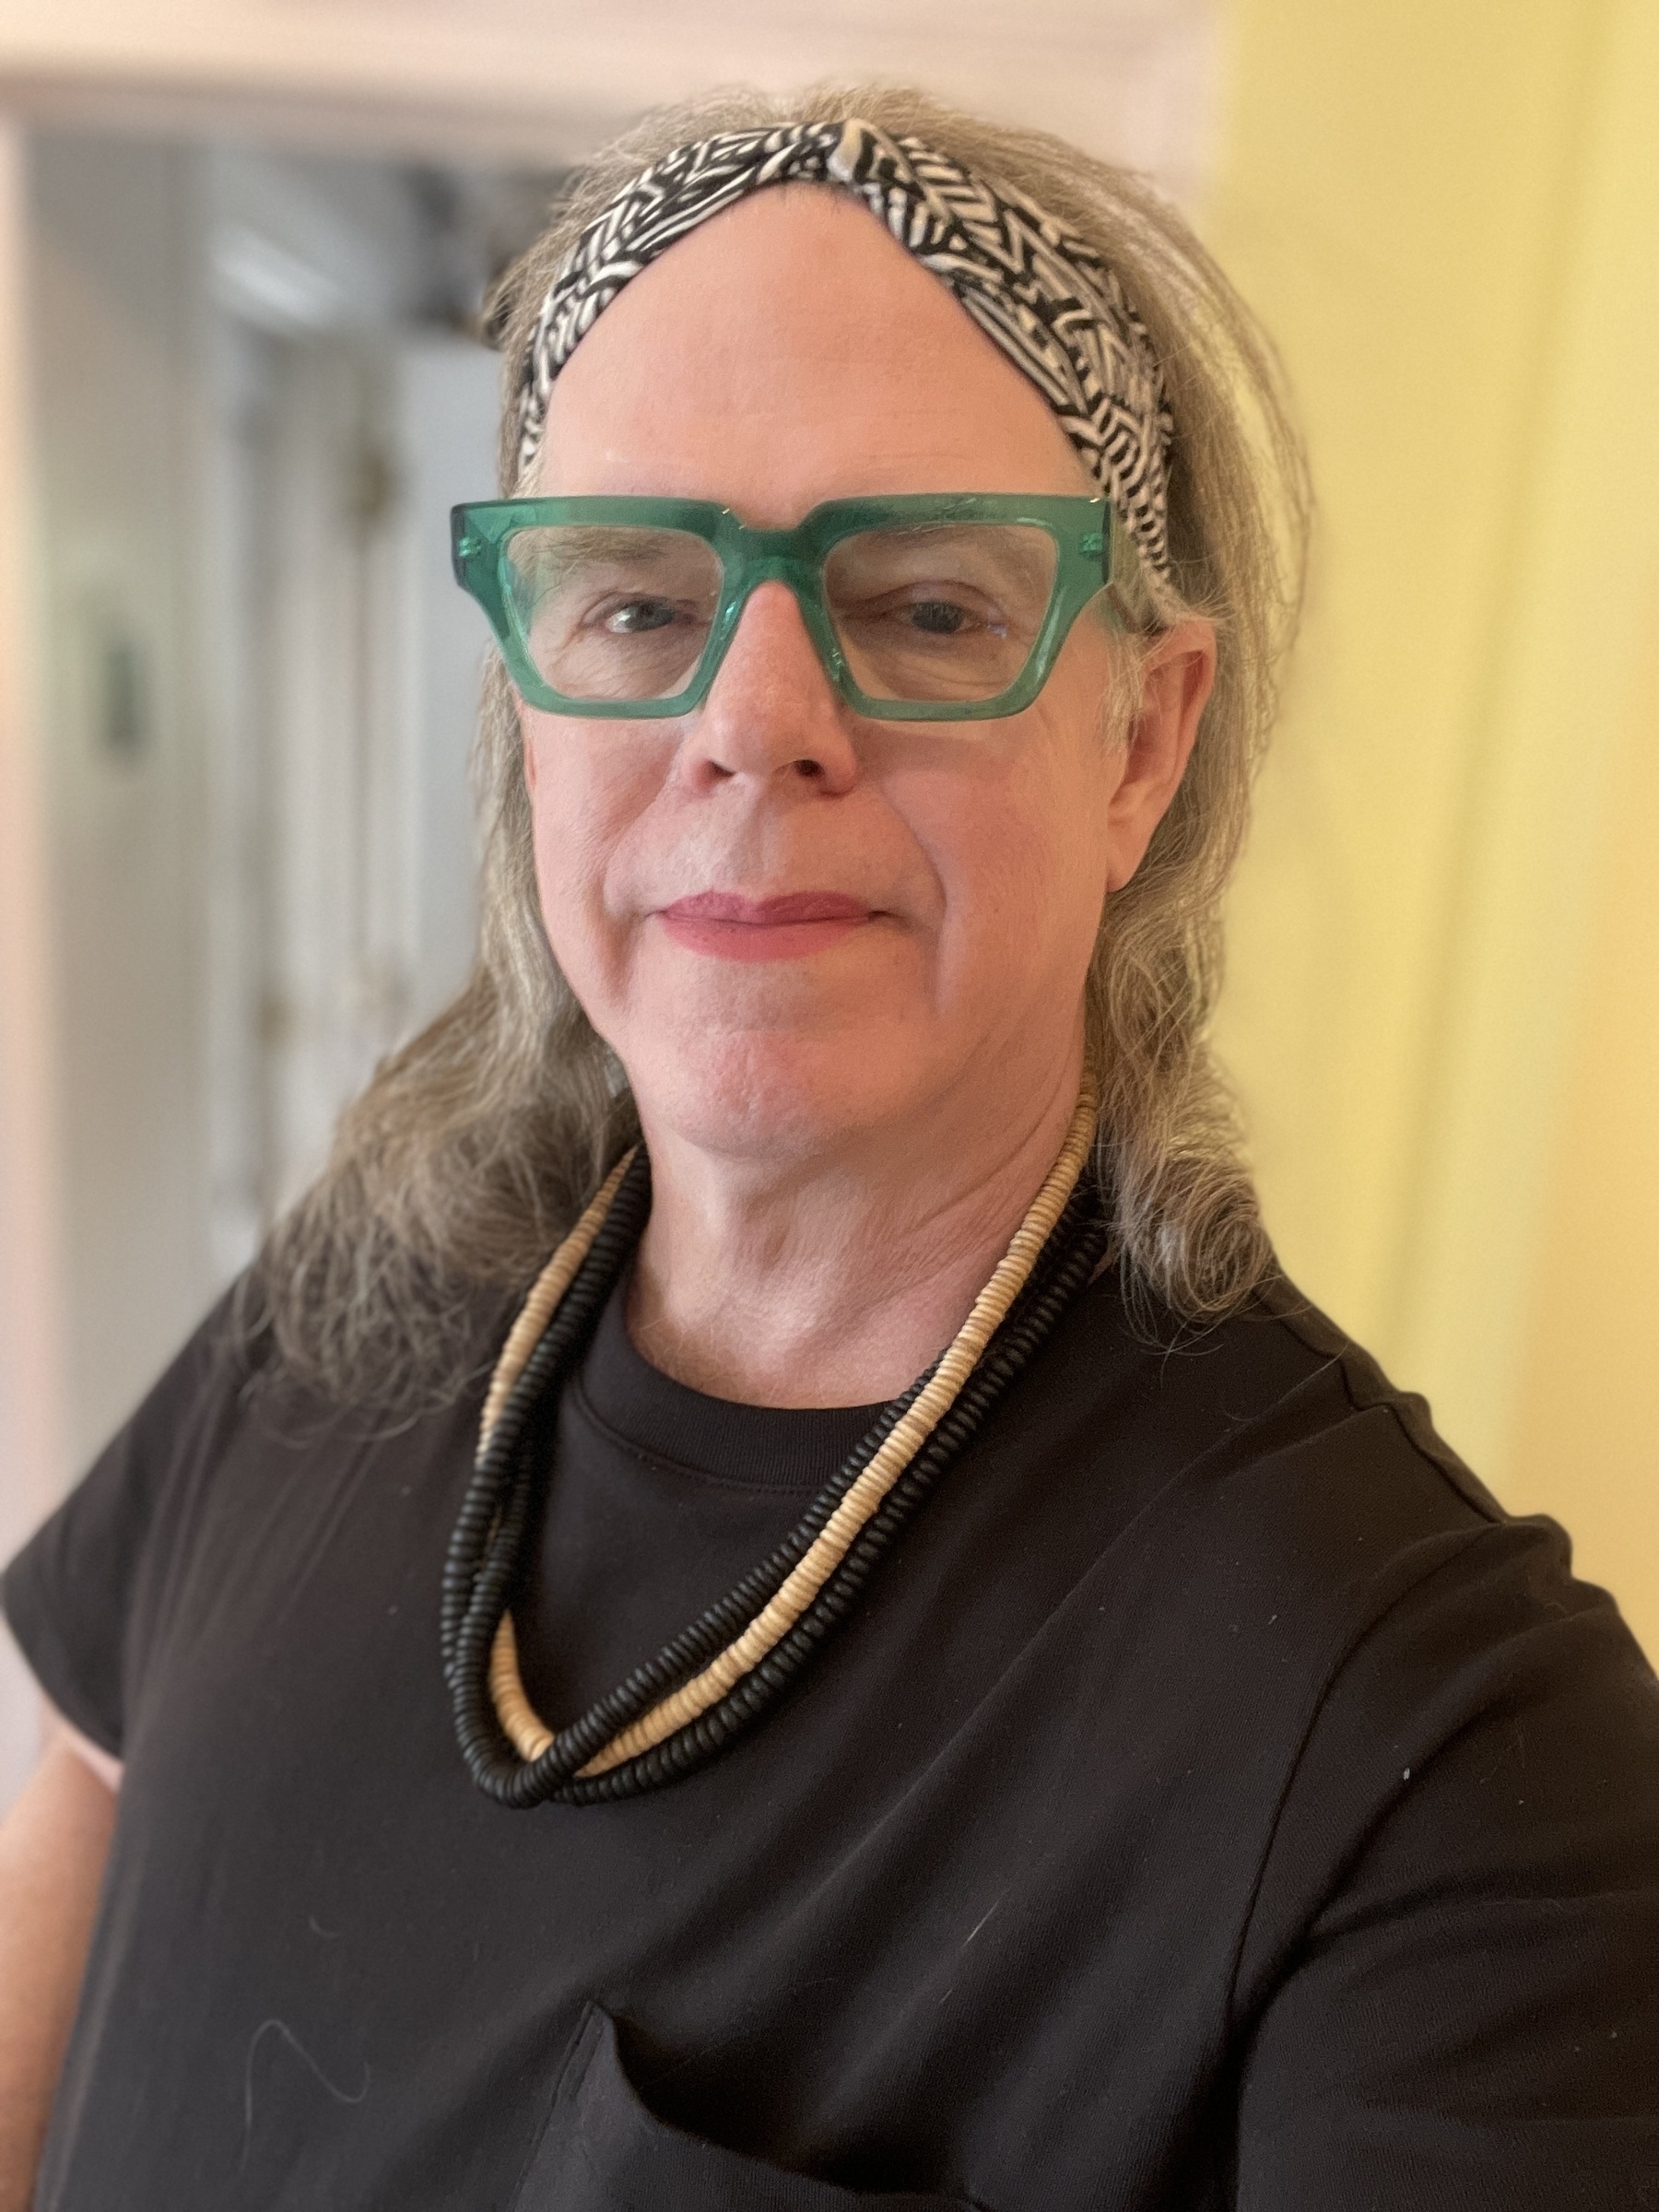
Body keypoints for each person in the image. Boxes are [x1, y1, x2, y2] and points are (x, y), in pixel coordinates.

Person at [2, 84, 1656, 2212]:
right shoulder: (353, 1299)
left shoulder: (1440, 1766)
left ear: (1142, 737)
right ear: (527, 710)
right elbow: (83, 1816)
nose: (753, 718)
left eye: (930, 605)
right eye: (630, 604)